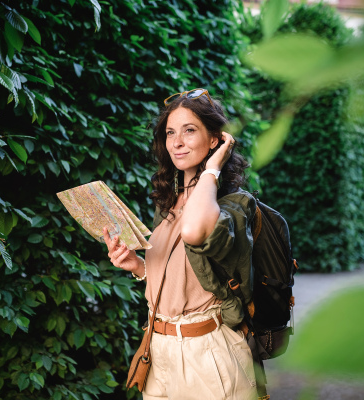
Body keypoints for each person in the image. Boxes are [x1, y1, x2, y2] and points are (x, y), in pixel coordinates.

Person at [103, 88, 258, 400]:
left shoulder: (232, 204)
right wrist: (138, 266)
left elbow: (194, 232)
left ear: (215, 139)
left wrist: (213, 167)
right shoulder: (169, 203)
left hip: (209, 352)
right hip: (158, 348)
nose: (176, 142)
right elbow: (183, 274)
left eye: (190, 130)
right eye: (170, 132)